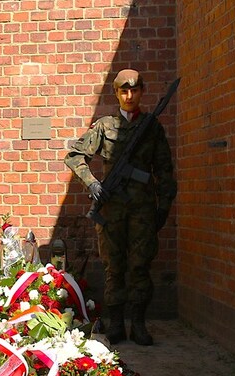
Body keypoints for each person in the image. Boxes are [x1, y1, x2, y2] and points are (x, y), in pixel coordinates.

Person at [64, 69, 177, 345]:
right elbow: (75, 156)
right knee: (113, 267)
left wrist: (163, 207)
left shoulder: (152, 127)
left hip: (142, 211)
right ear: (116, 93)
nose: (129, 96)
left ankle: (138, 324)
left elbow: (164, 170)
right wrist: (91, 183)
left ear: (141, 92)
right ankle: (116, 323)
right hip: (112, 210)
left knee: (140, 266)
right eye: (123, 91)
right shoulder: (104, 127)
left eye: (135, 90)